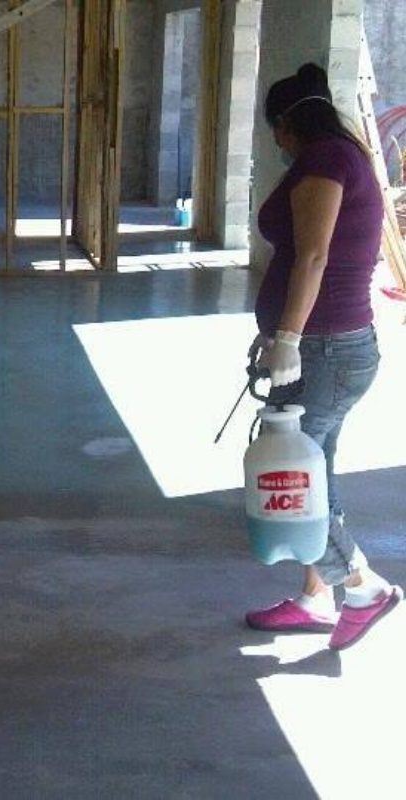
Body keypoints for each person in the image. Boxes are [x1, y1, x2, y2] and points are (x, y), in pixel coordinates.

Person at [245, 63, 401, 651]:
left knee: (300, 483)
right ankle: (315, 596)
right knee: (316, 472)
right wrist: (277, 334)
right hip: (330, 346)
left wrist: (288, 336)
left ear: (288, 123)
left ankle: (363, 588)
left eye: (276, 131)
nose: (278, 143)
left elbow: (313, 257)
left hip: (325, 350)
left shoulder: (324, 161)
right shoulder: (341, 155)